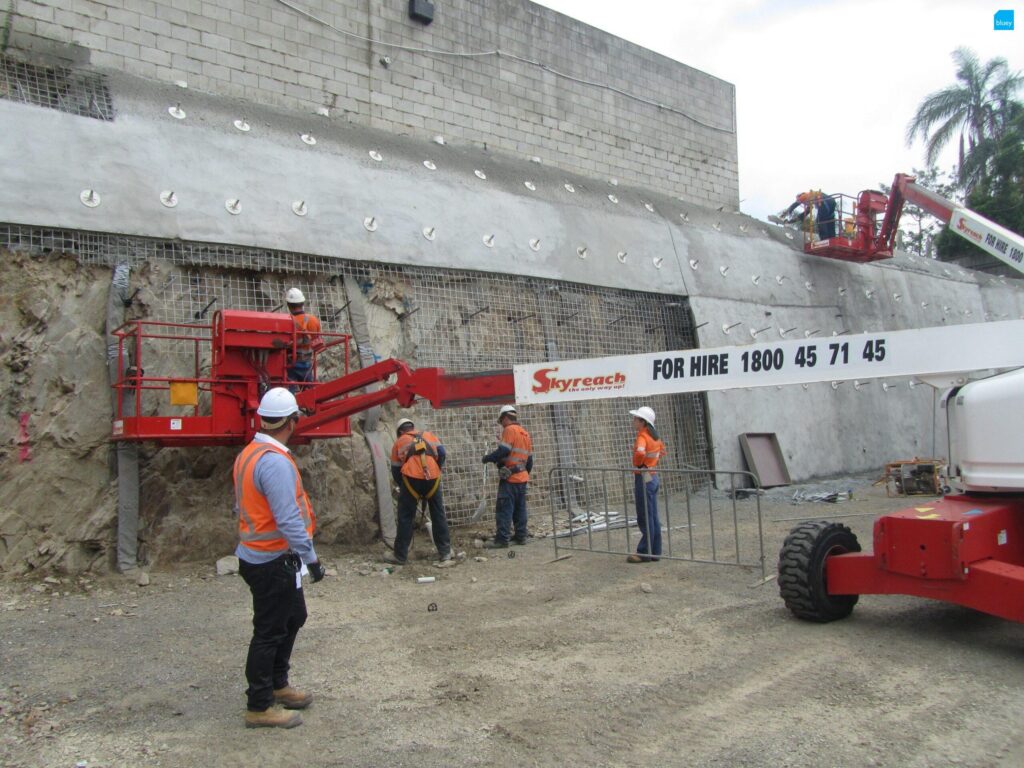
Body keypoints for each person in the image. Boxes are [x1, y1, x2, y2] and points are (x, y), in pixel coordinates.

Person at [234, 387, 325, 729]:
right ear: (292, 421)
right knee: (269, 630)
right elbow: (287, 518)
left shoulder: (252, 453)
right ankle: (259, 704)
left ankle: (278, 684)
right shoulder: (274, 463)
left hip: (265, 556)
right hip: (270, 559)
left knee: (293, 615)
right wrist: (311, 559)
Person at [385, 417, 452, 565]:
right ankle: (445, 552)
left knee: (405, 516)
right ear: (412, 427)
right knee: (438, 513)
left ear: (401, 431)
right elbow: (442, 453)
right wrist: (436, 468)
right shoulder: (429, 435)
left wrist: (403, 486)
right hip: (433, 476)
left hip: (411, 478)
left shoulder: (400, 441)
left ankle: (400, 555)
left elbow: (396, 470)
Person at [482, 405, 533, 548]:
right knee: (520, 508)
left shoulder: (509, 430)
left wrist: (488, 458)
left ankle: (502, 540)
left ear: (505, 418)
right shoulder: (525, 433)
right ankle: (521, 536)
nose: (501, 424)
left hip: (510, 479)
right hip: (522, 478)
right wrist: (523, 474)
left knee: (504, 508)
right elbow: (529, 461)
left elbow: (503, 451)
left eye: (501, 421)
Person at [627, 406, 665, 564]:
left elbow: (641, 452)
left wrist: (639, 463)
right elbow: (662, 451)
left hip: (643, 476)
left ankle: (644, 552)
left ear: (643, 422)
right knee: (653, 516)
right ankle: (655, 551)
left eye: (636, 419)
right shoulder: (654, 437)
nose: (633, 421)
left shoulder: (643, 436)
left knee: (645, 516)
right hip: (652, 475)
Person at [283, 287, 323, 388]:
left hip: (292, 364)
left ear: (288, 305)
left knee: (289, 390)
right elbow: (317, 339)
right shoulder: (314, 320)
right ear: (302, 303)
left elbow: (285, 343)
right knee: (309, 393)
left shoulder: (287, 321)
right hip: (308, 363)